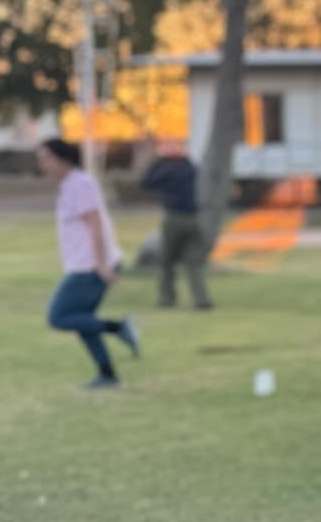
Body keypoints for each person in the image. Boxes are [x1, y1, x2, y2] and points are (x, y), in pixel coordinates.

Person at [35, 138, 139, 390]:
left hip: (89, 267)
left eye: (47, 158)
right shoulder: (70, 185)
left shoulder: (80, 184)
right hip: (82, 264)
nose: (43, 164)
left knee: (58, 317)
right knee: (83, 321)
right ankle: (108, 375)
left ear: (64, 159)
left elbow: (95, 224)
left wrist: (101, 264)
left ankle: (118, 327)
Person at [139, 141, 213, 310]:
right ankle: (201, 298)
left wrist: (159, 160)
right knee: (194, 262)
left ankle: (167, 298)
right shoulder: (189, 168)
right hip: (193, 218)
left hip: (174, 218)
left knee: (167, 260)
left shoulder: (167, 169)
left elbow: (146, 182)